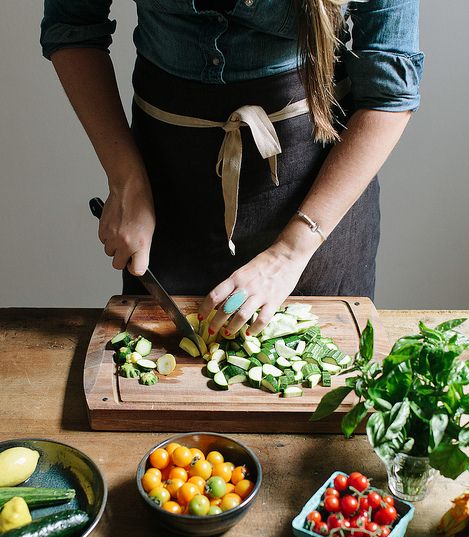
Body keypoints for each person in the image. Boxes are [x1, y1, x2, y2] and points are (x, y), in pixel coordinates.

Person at [41, 0, 423, 334]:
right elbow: (73, 26)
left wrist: (291, 251)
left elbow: (389, 91)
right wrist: (125, 178)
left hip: (316, 193)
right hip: (169, 186)